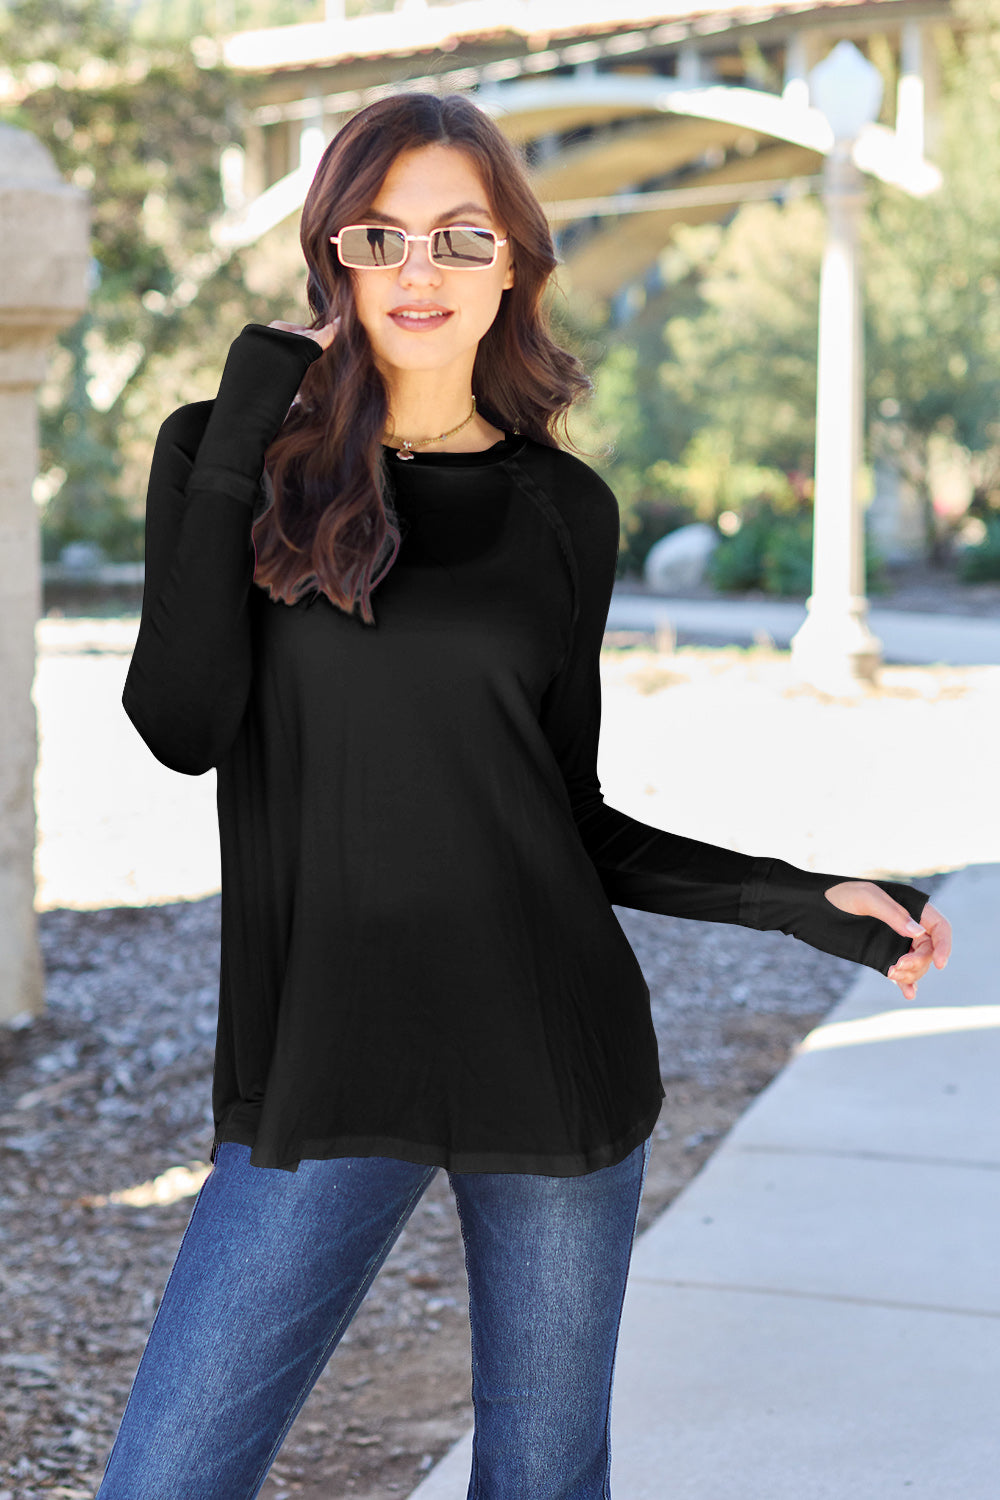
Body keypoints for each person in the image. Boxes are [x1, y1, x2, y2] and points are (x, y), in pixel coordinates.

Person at [97, 91, 951, 1500]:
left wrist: (812, 903)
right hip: (323, 1059)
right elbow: (180, 725)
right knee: (165, 1479)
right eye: (383, 236)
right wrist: (247, 428)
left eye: (458, 235)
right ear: (336, 260)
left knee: (546, 1484)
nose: (419, 269)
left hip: (550, 1053)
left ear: (512, 265)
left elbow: (564, 812)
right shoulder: (230, 456)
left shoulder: (565, 512)